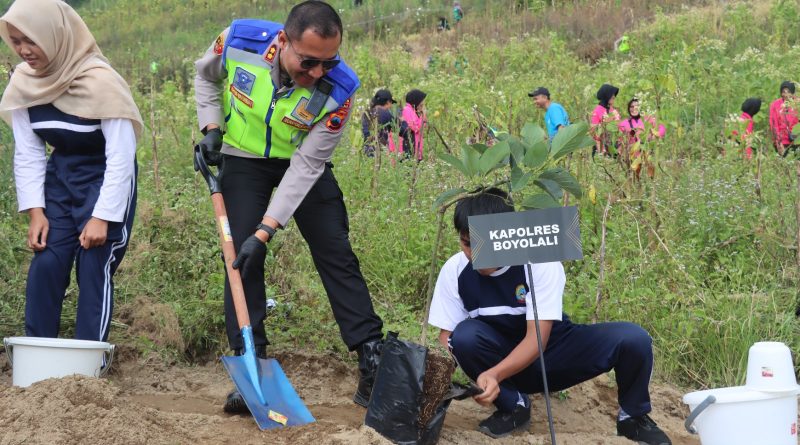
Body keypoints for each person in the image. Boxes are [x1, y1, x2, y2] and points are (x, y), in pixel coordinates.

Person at [193, 1, 384, 413]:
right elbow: (204, 77)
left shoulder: (341, 89)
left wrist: (268, 230)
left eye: (328, 63)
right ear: (283, 41)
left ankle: (372, 357)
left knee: (334, 248)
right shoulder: (238, 41)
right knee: (241, 259)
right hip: (243, 158)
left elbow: (307, 166)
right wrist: (211, 127)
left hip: (300, 162)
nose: (316, 73)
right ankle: (252, 363)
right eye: (309, 61)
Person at [428, 188, 672, 444]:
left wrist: (496, 374)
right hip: (496, 355)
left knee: (633, 339)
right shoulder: (455, 270)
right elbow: (446, 340)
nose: (474, 254)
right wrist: (437, 386)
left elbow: (538, 341)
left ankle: (633, 419)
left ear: (505, 235)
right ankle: (513, 406)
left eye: (484, 244)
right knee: (463, 337)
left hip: (552, 355)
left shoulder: (537, 261)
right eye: (467, 243)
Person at [0, 0, 142, 342]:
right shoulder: (24, 82)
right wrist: (36, 212)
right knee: (48, 259)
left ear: (56, 35)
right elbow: (29, 151)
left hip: (105, 174)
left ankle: (90, 360)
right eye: (16, 40)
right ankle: (36, 352)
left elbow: (121, 155)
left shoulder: (100, 81)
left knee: (94, 262)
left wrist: (103, 216)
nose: (23, 50)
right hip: (61, 175)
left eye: (31, 40)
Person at [617, 98, 665, 178]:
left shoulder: (647, 119)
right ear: (629, 108)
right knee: (633, 178)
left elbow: (662, 128)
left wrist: (655, 134)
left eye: (637, 106)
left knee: (650, 176)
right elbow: (619, 140)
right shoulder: (624, 123)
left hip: (646, 153)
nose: (634, 109)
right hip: (632, 156)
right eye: (631, 107)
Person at [361, 89, 397, 157]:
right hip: (379, 150)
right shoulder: (385, 113)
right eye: (391, 103)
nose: (391, 106)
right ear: (388, 102)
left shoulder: (367, 112)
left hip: (367, 148)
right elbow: (397, 127)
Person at [768, 80, 798, 156]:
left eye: (788, 91)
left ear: (793, 92)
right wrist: (778, 142)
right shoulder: (775, 105)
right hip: (782, 142)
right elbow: (774, 125)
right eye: (783, 91)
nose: (786, 94)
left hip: (796, 141)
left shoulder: (798, 104)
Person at [591, 84, 621, 156]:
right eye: (611, 95)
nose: (614, 96)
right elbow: (594, 131)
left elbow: (619, 127)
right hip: (602, 145)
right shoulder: (597, 110)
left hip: (616, 145)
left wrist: (621, 147)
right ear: (606, 96)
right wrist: (601, 150)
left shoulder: (613, 110)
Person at [400, 89, 427, 161]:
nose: (423, 103)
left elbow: (423, 126)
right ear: (416, 100)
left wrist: (422, 114)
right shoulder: (407, 110)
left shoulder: (413, 110)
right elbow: (415, 128)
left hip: (416, 144)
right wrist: (422, 115)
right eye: (422, 101)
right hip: (411, 145)